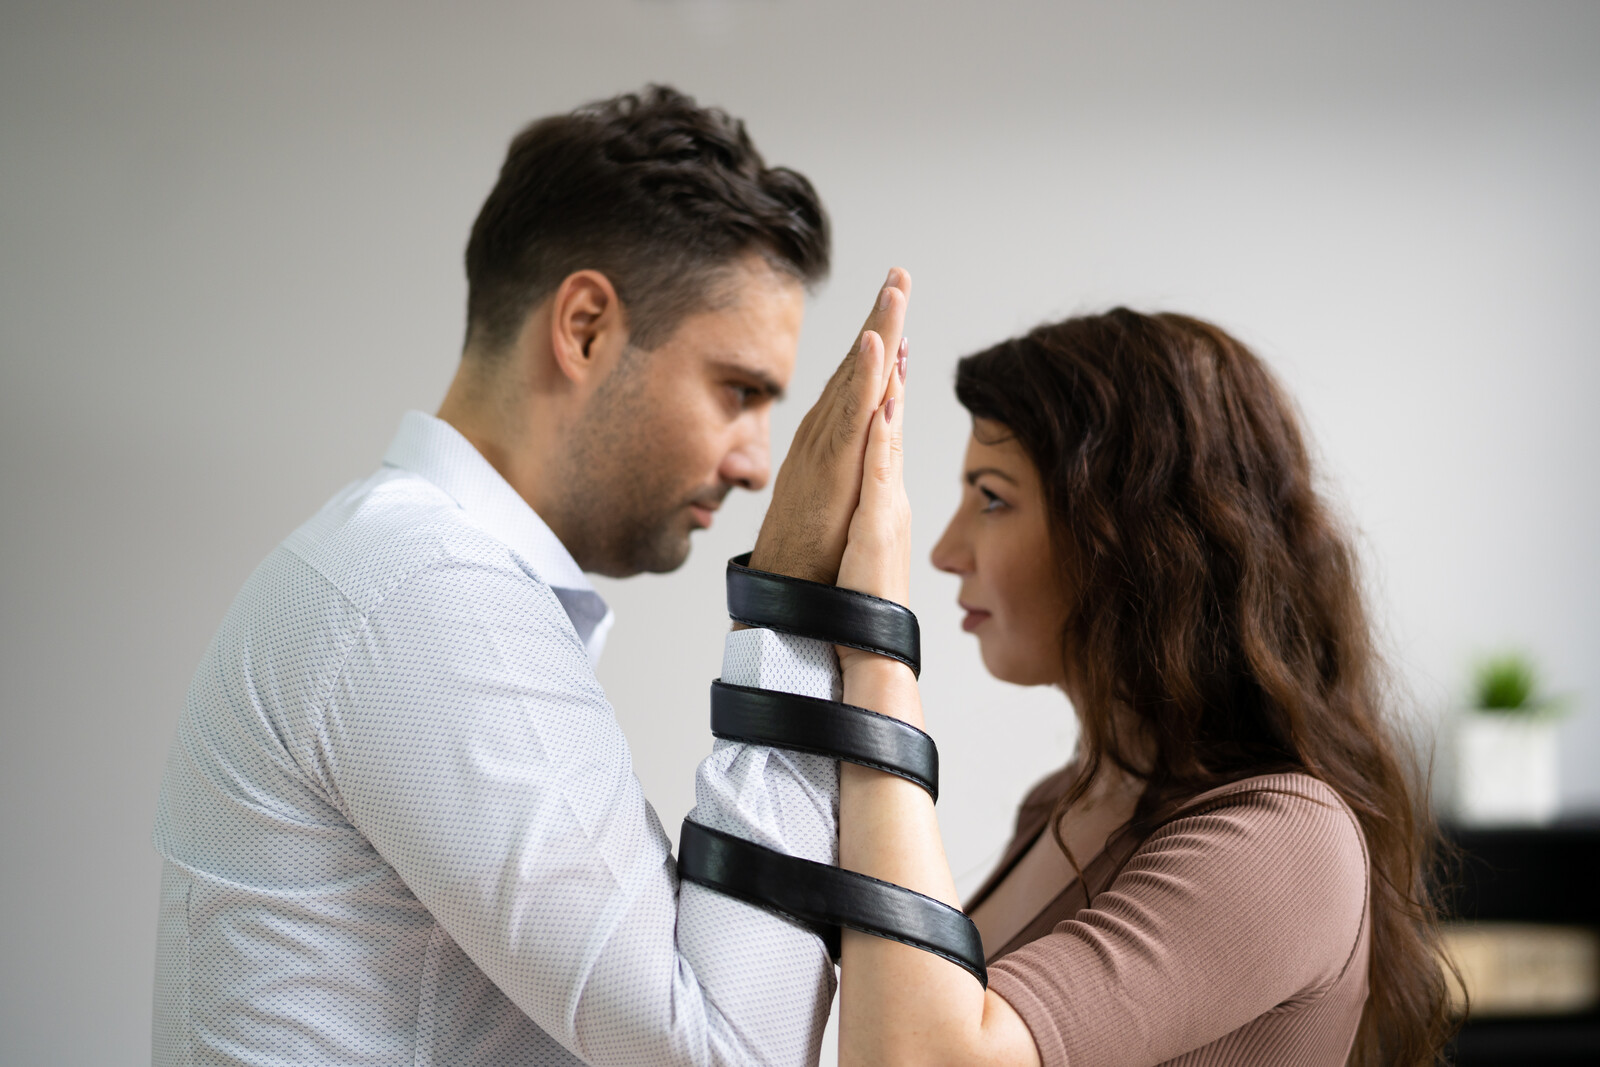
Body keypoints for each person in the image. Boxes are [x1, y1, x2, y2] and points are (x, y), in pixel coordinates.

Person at [151, 85, 909, 1066]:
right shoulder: (421, 593)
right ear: (586, 325)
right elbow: (728, 1051)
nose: (757, 460)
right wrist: (799, 602)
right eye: (739, 391)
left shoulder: (397, 572)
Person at [808, 308, 1456, 1065]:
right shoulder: (1064, 801)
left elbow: (924, 1058)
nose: (948, 550)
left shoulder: (1287, 841)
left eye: (991, 496)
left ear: (1133, 535)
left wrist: (875, 647)